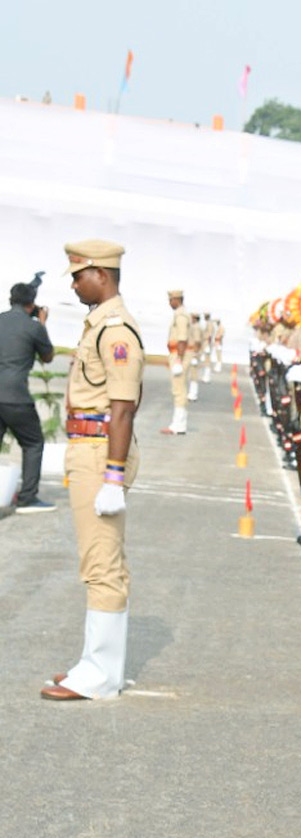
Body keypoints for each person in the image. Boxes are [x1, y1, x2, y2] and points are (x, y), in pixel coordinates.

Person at [42, 239, 144, 701]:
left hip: (103, 450)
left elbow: (122, 408)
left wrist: (114, 476)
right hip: (90, 446)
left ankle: (101, 674)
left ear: (101, 274)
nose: (75, 283)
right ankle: (94, 663)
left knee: (101, 563)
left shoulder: (115, 331)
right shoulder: (99, 326)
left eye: (79, 275)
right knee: (97, 560)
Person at [0, 272, 55, 511]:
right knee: (33, 443)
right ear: (32, 305)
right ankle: (27, 498)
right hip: (15, 396)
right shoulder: (33, 327)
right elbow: (48, 356)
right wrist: (42, 323)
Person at [161, 289, 189, 435]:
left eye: (171, 300)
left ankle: (179, 424)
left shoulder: (181, 315)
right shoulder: (179, 314)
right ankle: (178, 423)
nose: (170, 303)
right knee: (178, 388)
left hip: (179, 355)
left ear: (176, 300)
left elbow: (182, 339)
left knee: (179, 389)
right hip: (175, 354)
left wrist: (178, 359)